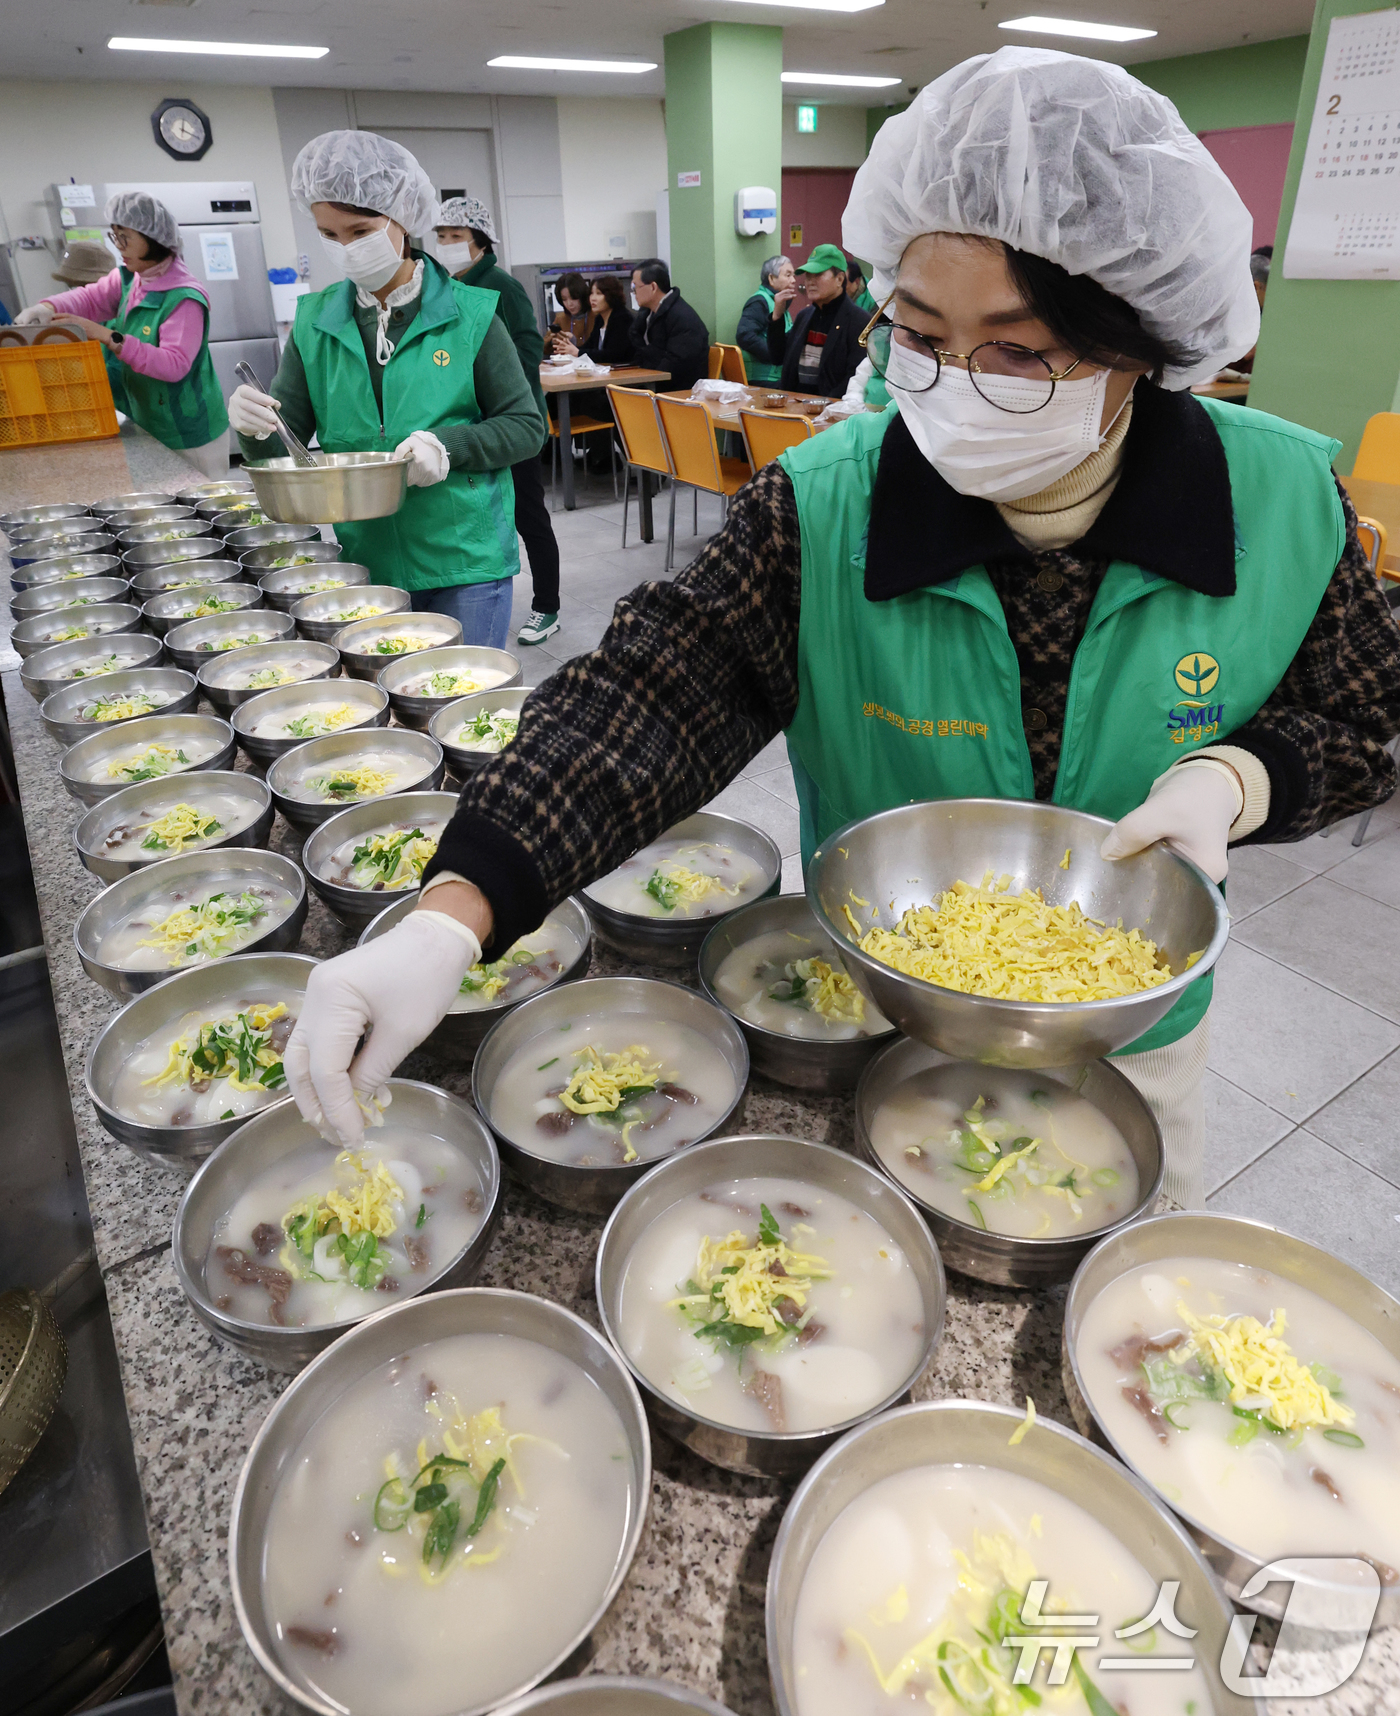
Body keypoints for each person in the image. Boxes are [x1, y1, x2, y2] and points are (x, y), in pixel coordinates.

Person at [281, 49, 1400, 1213]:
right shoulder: (827, 504)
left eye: (1017, 350)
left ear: (1140, 339)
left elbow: (1358, 717)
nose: (955, 383)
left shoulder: (1277, 501)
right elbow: (652, 693)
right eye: (917, 332)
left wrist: (1239, 776)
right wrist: (453, 912)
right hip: (878, 1016)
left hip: (1128, 1044)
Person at [228, 131, 543, 650]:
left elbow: (526, 427)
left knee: (465, 693)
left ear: (403, 217)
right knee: (391, 694)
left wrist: (447, 445)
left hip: (465, 560)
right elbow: (283, 447)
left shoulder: (471, 313)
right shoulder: (315, 323)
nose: (347, 248)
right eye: (329, 234)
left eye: (361, 230)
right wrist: (253, 426)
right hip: (367, 561)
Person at [15, 194, 230, 478]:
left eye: (124, 237)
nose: (118, 246)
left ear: (153, 238)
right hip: (151, 421)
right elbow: (89, 298)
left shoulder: (184, 298)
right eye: (114, 237)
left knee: (201, 498)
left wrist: (109, 336)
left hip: (190, 432)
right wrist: (47, 308)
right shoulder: (131, 278)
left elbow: (173, 365)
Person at [432, 195, 562, 649]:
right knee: (487, 516)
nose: (446, 243)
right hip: (474, 427)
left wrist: (496, 399)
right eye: (441, 235)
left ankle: (548, 605)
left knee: (529, 515)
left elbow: (527, 352)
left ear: (481, 242)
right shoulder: (446, 286)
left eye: (456, 236)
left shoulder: (501, 286)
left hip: (510, 426)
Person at [551, 274, 635, 476]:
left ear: (611, 295)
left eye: (599, 293)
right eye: (592, 293)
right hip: (604, 381)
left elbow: (614, 353)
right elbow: (589, 349)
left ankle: (608, 457)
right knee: (561, 400)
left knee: (592, 404)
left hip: (626, 381)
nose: (593, 298)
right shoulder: (600, 320)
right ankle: (558, 454)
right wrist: (572, 350)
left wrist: (577, 352)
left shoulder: (622, 318)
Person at [765, 243, 869, 398]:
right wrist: (777, 317)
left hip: (832, 407)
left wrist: (824, 406)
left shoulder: (859, 321)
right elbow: (777, 357)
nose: (810, 282)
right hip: (794, 404)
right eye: (808, 276)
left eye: (818, 275)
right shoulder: (805, 316)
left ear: (840, 279)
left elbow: (855, 377)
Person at [629, 259, 708, 391]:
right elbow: (639, 349)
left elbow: (676, 365)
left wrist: (642, 378)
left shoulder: (683, 317)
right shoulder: (647, 313)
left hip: (679, 391)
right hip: (653, 382)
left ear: (653, 287)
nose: (633, 293)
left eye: (635, 287)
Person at [735, 256, 794, 385]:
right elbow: (745, 335)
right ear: (771, 279)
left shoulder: (781, 304)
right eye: (788, 275)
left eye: (793, 275)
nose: (793, 280)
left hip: (779, 376)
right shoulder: (759, 302)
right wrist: (775, 355)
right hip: (764, 379)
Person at [547, 273, 593, 352]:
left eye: (573, 298)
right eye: (564, 299)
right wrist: (553, 342)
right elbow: (544, 348)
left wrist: (573, 341)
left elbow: (597, 349)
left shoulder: (595, 316)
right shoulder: (560, 318)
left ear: (582, 295)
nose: (569, 304)